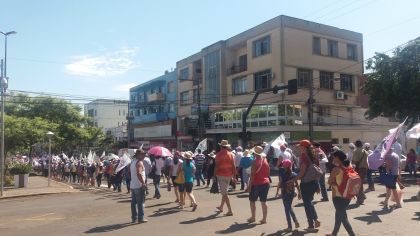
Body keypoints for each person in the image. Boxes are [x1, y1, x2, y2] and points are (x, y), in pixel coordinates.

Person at [290, 140, 321, 233]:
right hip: (314, 182)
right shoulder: (313, 155)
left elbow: (303, 171)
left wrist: (293, 180)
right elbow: (316, 170)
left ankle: (311, 226)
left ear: (303, 147)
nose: (299, 148)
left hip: (306, 183)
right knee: (309, 202)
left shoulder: (303, 156)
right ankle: (315, 220)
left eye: (300, 146)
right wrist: (318, 185)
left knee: (307, 205)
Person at [326, 150, 356, 236]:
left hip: (338, 196)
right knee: (339, 214)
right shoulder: (349, 166)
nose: (333, 158)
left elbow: (329, 181)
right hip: (348, 195)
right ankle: (334, 233)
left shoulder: (336, 169)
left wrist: (335, 184)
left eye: (334, 157)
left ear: (337, 158)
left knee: (343, 218)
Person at [247, 146, 270, 224]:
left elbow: (252, 175)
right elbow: (268, 172)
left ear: (254, 153)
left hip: (256, 184)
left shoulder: (254, 162)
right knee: (263, 201)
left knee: (252, 200)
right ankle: (264, 219)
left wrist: (249, 186)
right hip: (266, 183)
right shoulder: (265, 160)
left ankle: (253, 217)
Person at [277, 159, 300, 232]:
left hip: (285, 193)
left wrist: (277, 191)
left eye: (283, 164)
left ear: (285, 166)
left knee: (287, 209)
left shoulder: (283, 174)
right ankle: (294, 222)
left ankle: (290, 226)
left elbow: (280, 183)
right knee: (289, 207)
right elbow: (296, 184)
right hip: (292, 193)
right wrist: (299, 192)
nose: (282, 165)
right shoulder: (293, 174)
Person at [215, 140, 236, 216]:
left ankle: (230, 210)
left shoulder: (218, 154)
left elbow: (216, 166)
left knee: (224, 193)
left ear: (221, 146)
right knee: (225, 191)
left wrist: (214, 176)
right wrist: (234, 176)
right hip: (229, 175)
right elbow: (233, 166)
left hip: (221, 175)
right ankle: (221, 207)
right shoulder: (231, 154)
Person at [130, 149, 148, 224]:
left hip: (133, 185)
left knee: (134, 203)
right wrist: (143, 183)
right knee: (140, 202)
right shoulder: (139, 162)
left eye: (144, 154)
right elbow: (139, 173)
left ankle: (134, 218)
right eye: (143, 154)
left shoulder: (133, 162)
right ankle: (141, 218)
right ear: (138, 155)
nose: (144, 156)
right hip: (138, 185)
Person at [351, 140, 369, 205]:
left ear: (356, 145)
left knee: (358, 184)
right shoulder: (366, 152)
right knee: (360, 184)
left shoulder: (356, 151)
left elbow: (353, 161)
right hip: (364, 169)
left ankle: (360, 198)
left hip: (358, 169)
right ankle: (362, 197)